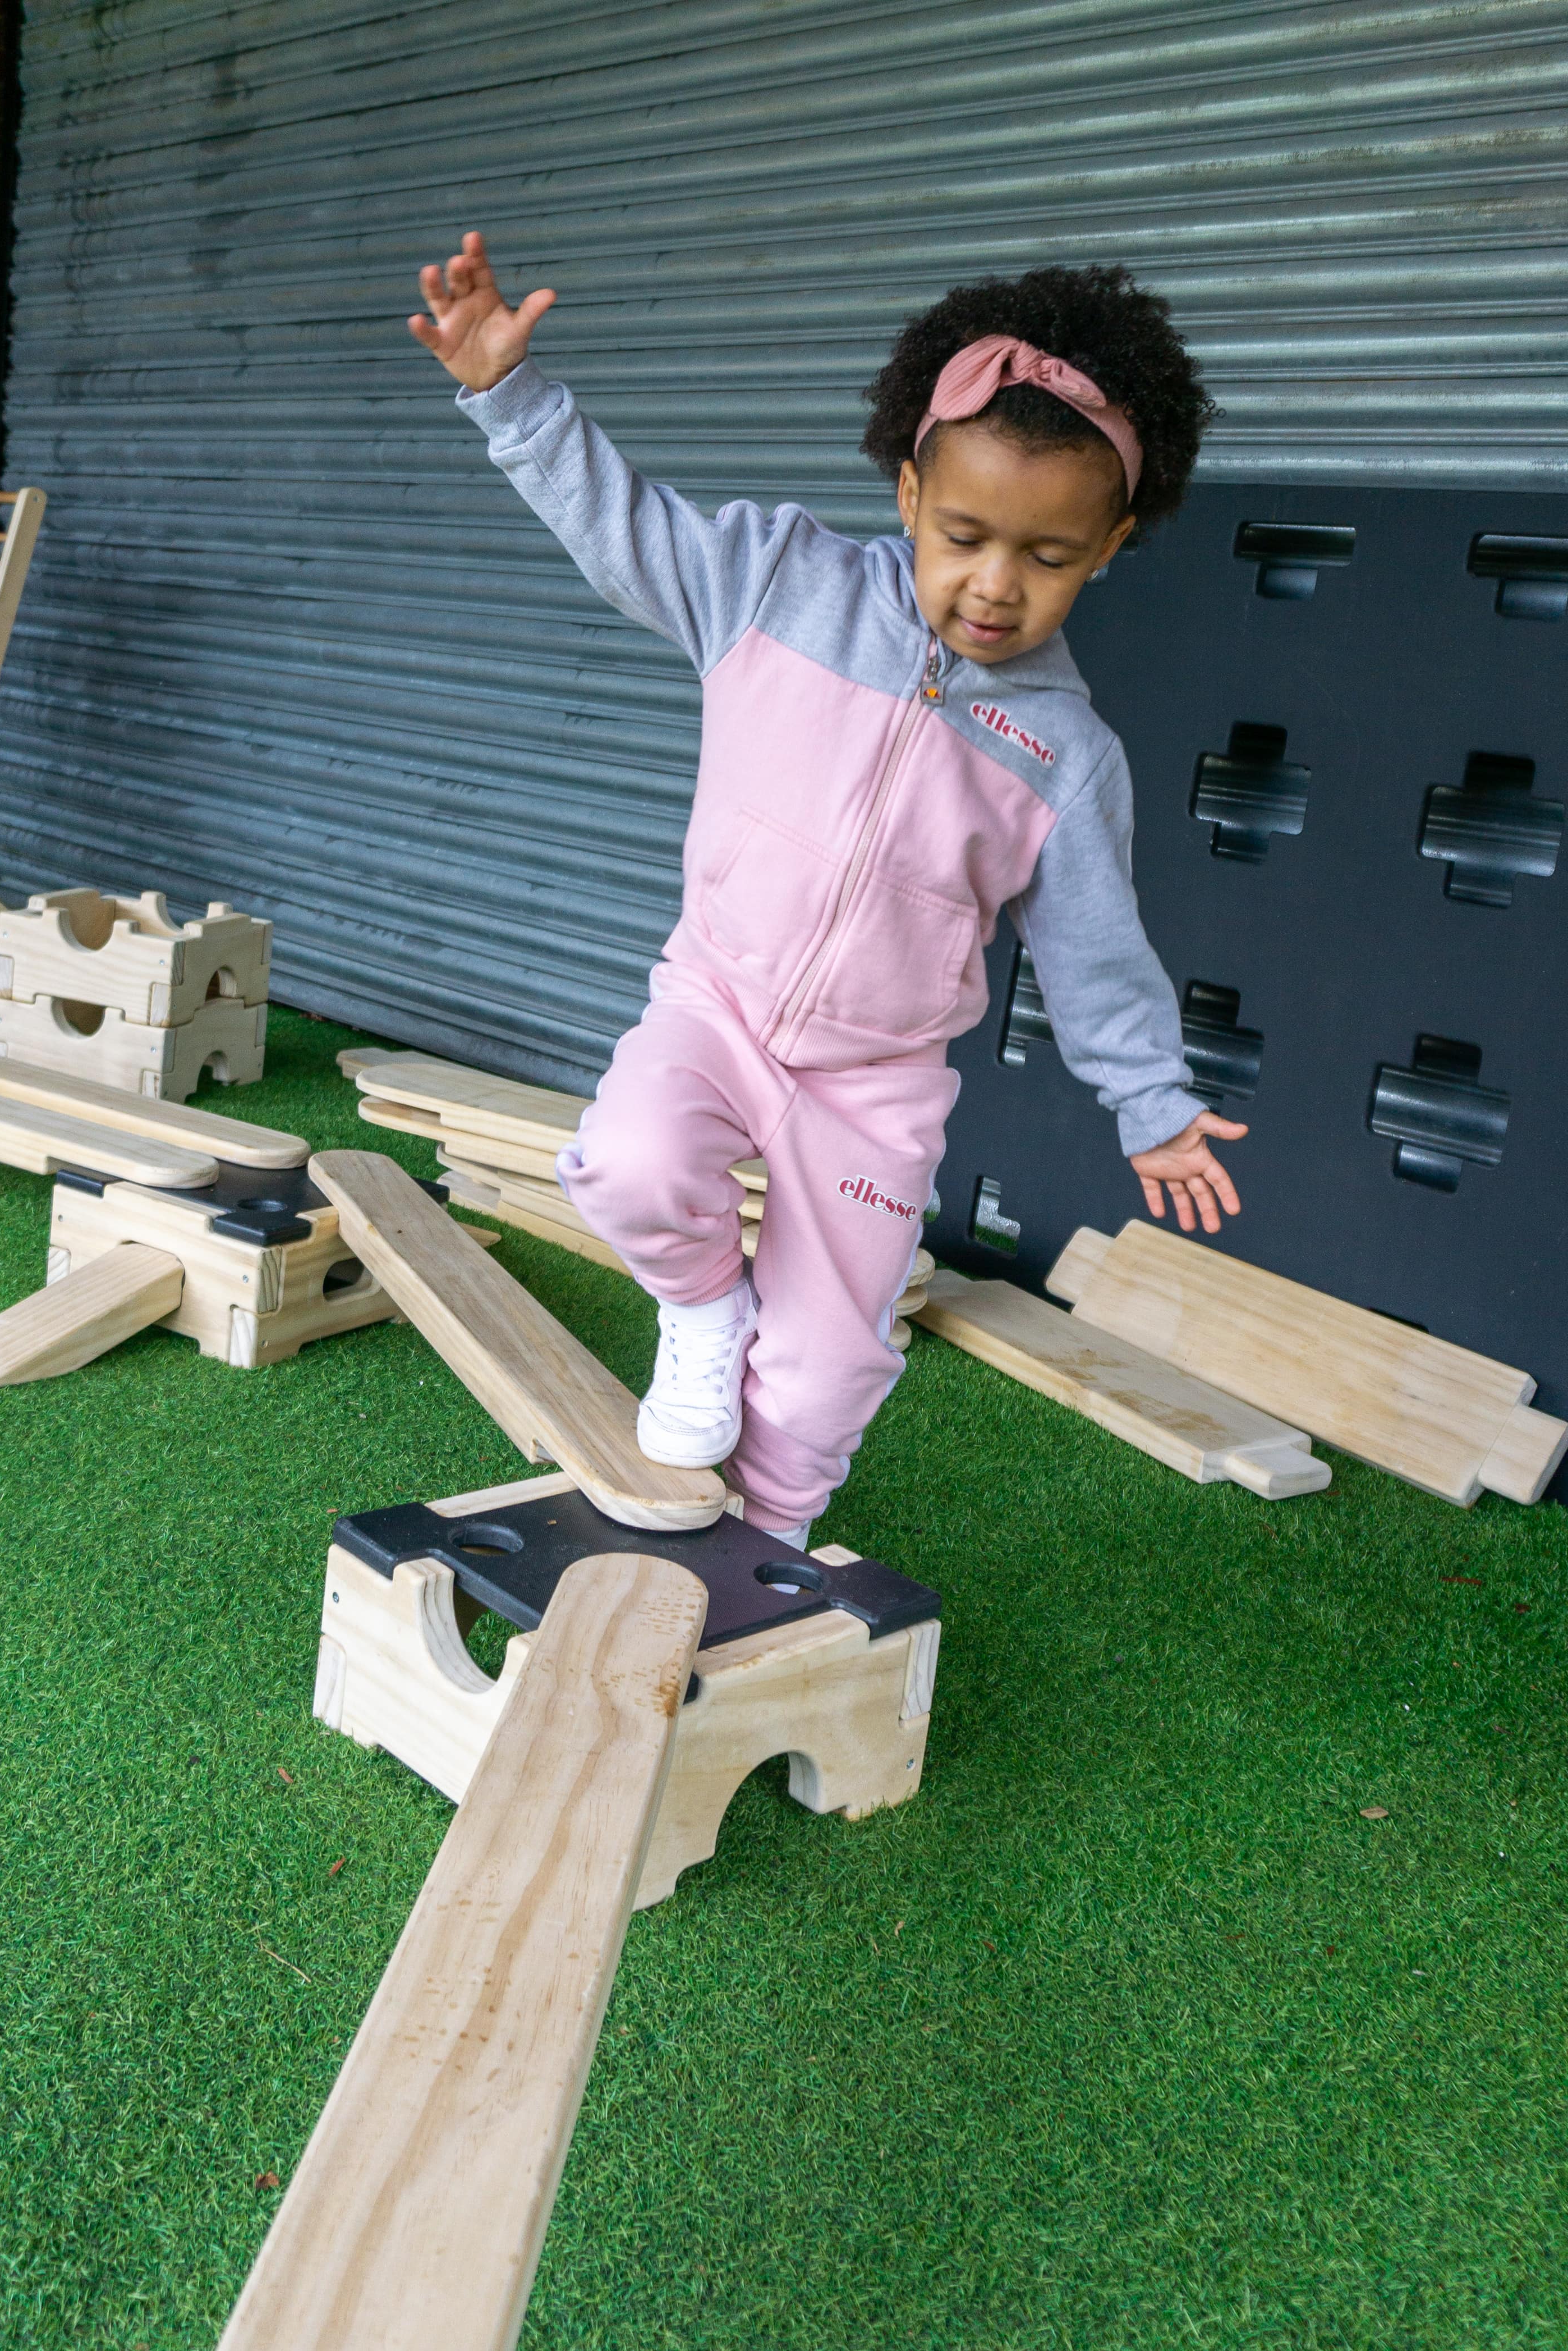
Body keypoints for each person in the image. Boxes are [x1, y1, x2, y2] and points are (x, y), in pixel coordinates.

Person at [410, 233, 1246, 1548]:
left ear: (1110, 544)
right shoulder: (770, 581)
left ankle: (769, 1544)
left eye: (1045, 553)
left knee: (828, 1365)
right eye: (965, 533)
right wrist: (508, 397)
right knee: (628, 1165)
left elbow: (1095, 948)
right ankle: (699, 1311)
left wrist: (1150, 1101)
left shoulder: (1068, 759)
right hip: (718, 1000)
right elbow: (620, 523)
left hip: (877, 1082)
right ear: (908, 491)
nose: (993, 583)